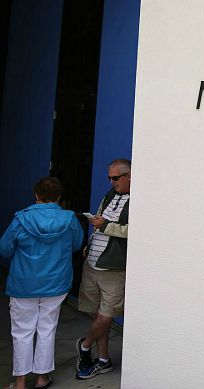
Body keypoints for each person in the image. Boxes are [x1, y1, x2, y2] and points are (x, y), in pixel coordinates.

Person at [0, 176, 84, 389]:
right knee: (47, 329)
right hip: (56, 283)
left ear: (36, 195)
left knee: (22, 332)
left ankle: (20, 382)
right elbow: (76, 245)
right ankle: (41, 378)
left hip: (23, 284)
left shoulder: (21, 219)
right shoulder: (69, 219)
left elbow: (5, 249)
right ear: (59, 197)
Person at [75, 159, 131, 380]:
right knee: (95, 313)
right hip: (92, 263)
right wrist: (90, 243)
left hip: (113, 268)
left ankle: (86, 346)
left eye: (115, 178)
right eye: (109, 177)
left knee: (106, 315)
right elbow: (99, 222)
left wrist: (106, 226)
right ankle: (103, 360)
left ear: (130, 175)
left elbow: (136, 230)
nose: (111, 181)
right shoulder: (109, 195)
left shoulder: (141, 198)